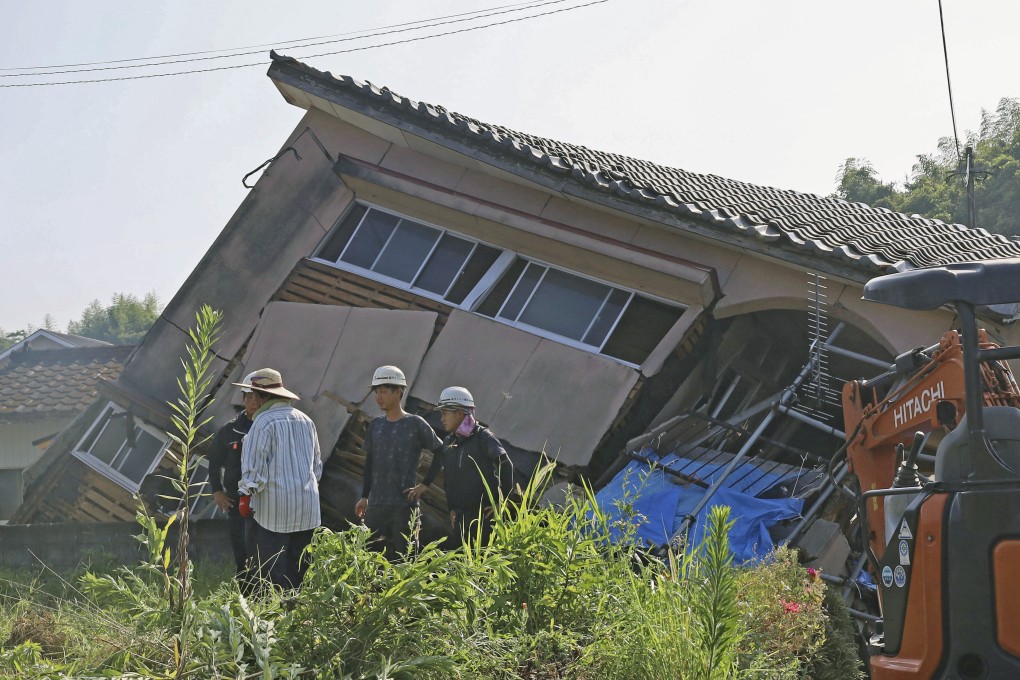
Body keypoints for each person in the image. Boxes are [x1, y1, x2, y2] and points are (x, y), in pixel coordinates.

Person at [236, 368, 322, 591]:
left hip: (273, 512)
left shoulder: (263, 422)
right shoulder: (306, 420)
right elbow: (317, 468)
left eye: (253, 394)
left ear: (260, 396)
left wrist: (246, 495)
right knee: (300, 573)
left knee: (271, 573)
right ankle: (297, 617)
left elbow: (254, 472)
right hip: (307, 509)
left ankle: (275, 619)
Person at [355, 365, 444, 557]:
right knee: (364, 557)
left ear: (398, 392)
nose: (378, 397)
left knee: (405, 560)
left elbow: (441, 451)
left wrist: (425, 485)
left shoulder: (415, 424)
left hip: (404, 506)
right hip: (377, 504)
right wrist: (364, 496)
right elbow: (369, 462)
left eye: (384, 392)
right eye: (376, 392)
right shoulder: (376, 425)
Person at [408, 386, 513, 546]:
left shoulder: (482, 437)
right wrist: (452, 508)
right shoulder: (450, 443)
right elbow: (449, 477)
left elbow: (505, 464)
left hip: (485, 517)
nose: (441, 418)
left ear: (459, 413)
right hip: (461, 519)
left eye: (445, 413)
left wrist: (501, 500)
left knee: (483, 564)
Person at [206, 372, 258, 588]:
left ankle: (267, 595)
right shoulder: (230, 430)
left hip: (266, 500)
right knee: (241, 550)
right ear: (243, 399)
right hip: (236, 501)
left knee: (264, 550)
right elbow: (214, 461)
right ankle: (245, 595)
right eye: (249, 397)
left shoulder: (271, 426)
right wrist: (217, 491)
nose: (253, 402)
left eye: (258, 397)